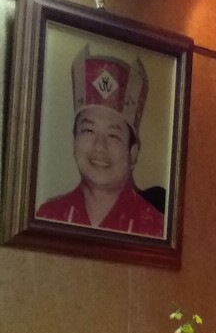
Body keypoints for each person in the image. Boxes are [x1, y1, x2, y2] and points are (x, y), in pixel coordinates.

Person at [36, 46, 164, 237]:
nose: (99, 146)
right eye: (89, 131)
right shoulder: (48, 216)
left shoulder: (156, 228)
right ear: (74, 140)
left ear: (133, 151)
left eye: (113, 135)